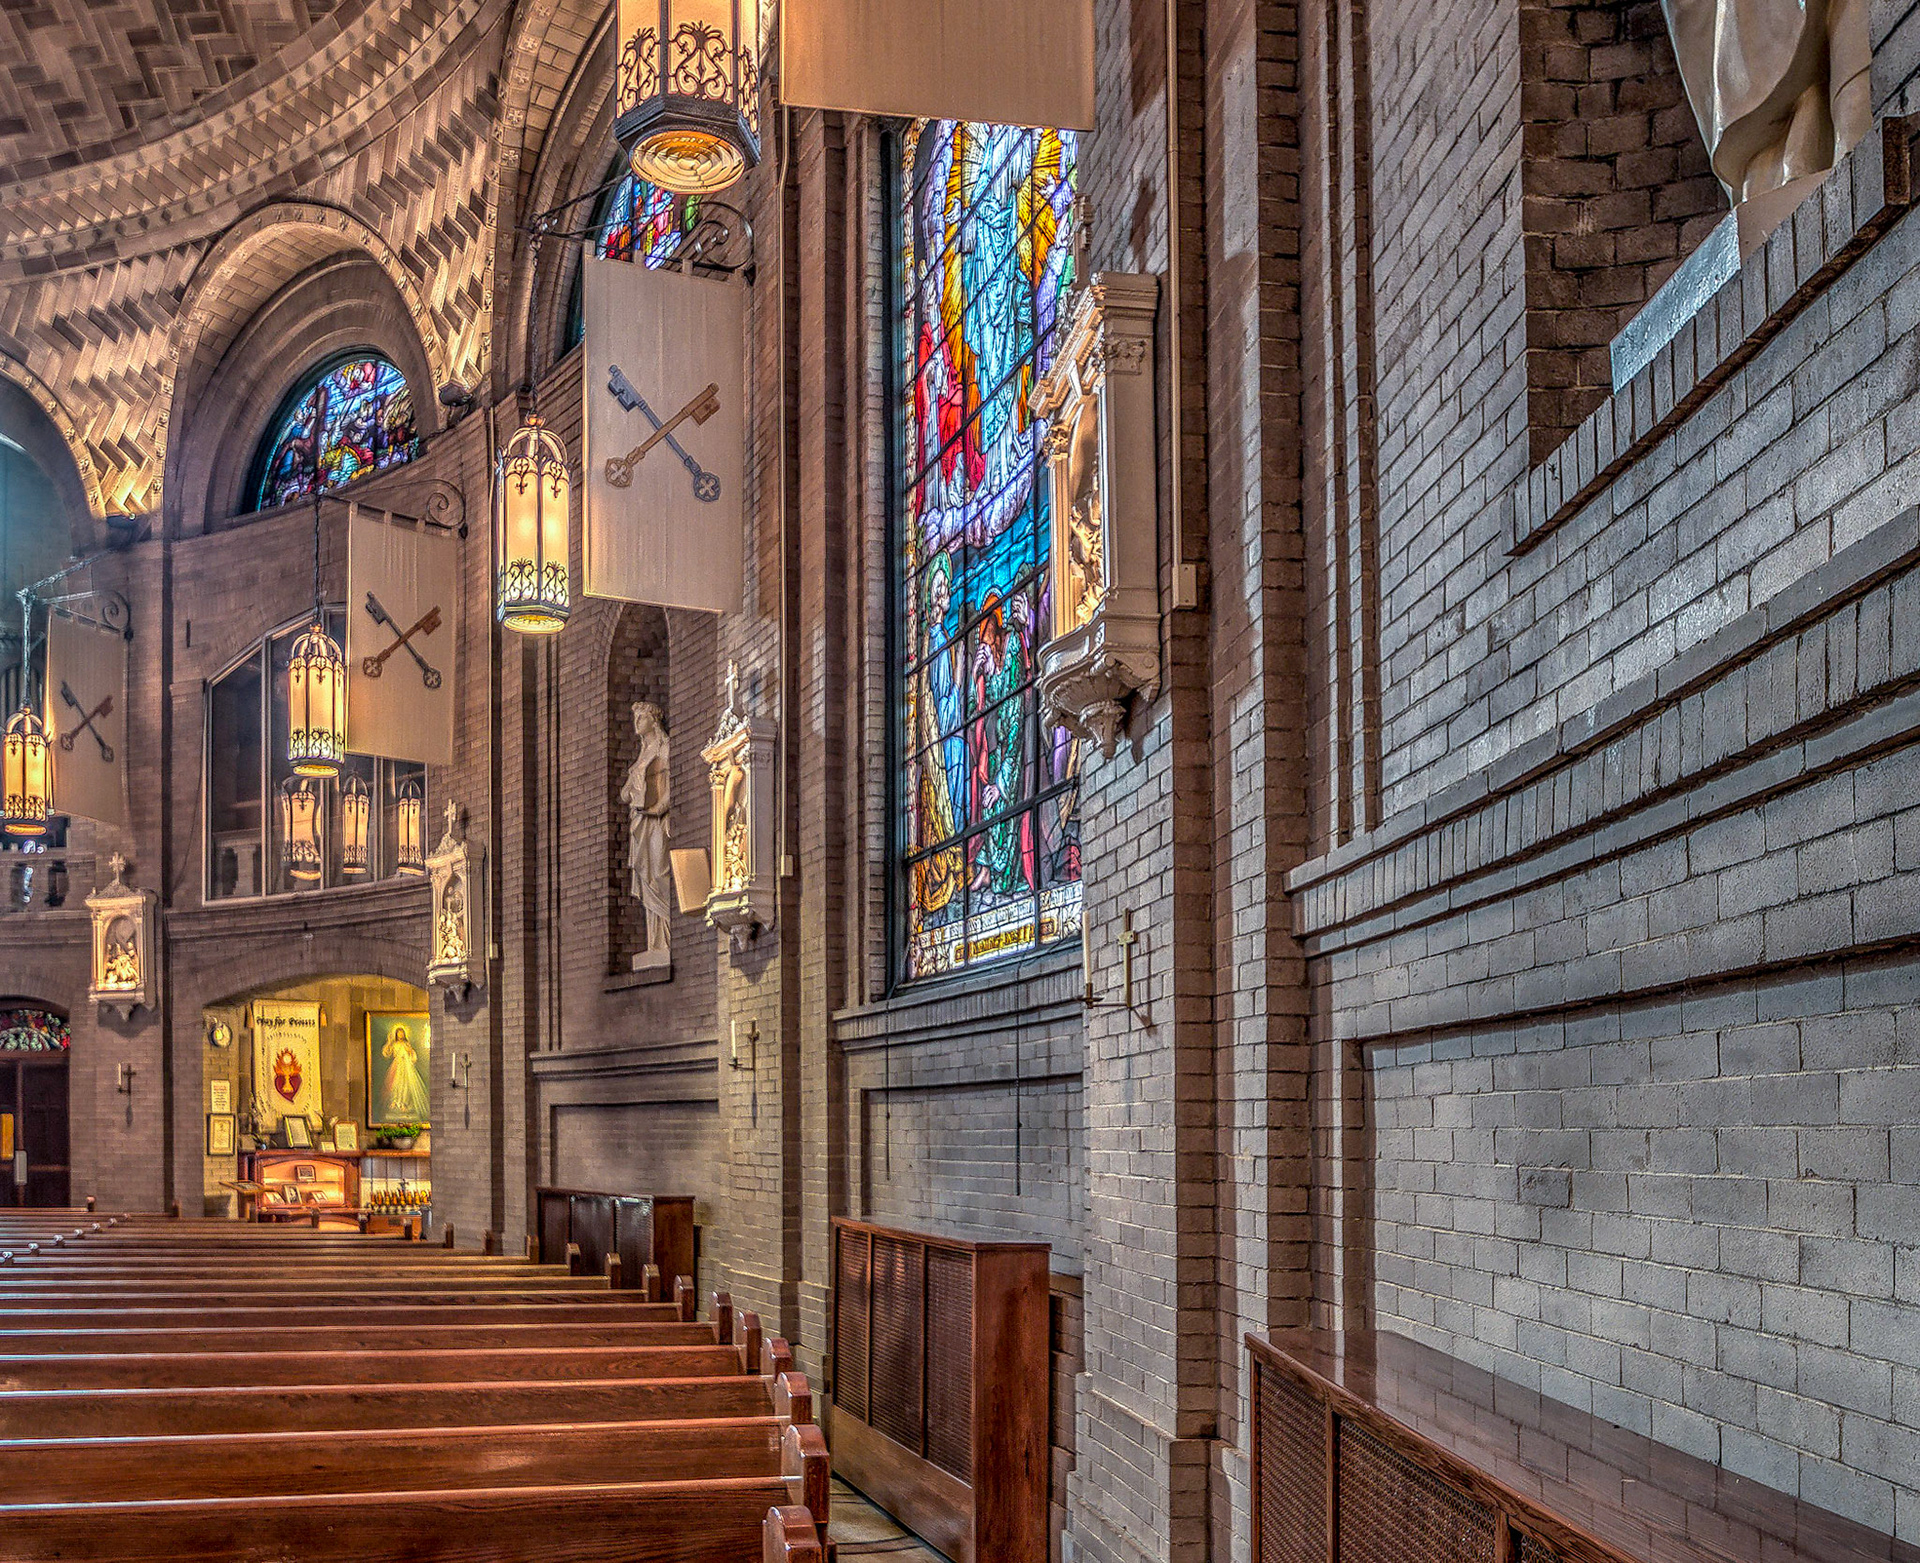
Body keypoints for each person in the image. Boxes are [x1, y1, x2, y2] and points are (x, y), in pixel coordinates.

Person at [379, 1023, 430, 1122]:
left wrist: (410, 1051)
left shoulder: (406, 1044)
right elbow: (386, 1053)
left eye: (402, 1033)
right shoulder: (394, 1044)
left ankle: (403, 1103)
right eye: (399, 1033)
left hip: (406, 1068)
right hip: (397, 1066)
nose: (400, 1035)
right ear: (396, 1034)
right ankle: (395, 1101)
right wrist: (389, 1041)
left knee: (405, 1086)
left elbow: (413, 1057)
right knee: (395, 1085)